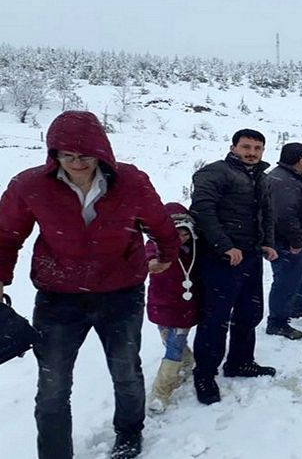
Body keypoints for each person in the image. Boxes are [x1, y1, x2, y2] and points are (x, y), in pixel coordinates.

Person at [0, 111, 180, 459]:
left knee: (126, 372)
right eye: (66, 155)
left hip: (121, 293)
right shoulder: (30, 186)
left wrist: (166, 254)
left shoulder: (131, 181)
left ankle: (129, 434)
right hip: (58, 297)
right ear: (53, 154)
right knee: (52, 386)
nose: (76, 162)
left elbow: (160, 223)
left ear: (102, 151)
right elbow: (6, 236)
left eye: (84, 154)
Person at [189, 128, 279, 405]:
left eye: (257, 148)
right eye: (246, 147)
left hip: (250, 256)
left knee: (249, 313)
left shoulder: (261, 178)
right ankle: (204, 374)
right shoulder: (215, 173)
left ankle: (240, 361)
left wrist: (268, 242)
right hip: (221, 259)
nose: (251, 153)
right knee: (215, 319)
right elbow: (203, 211)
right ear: (233, 147)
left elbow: (266, 213)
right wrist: (224, 246)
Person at [265, 142, 302, 341]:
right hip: (287, 241)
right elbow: (284, 216)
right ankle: (277, 322)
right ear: (301, 160)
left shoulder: (289, 177)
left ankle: (298, 307)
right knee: (286, 281)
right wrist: (296, 241)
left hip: (301, 239)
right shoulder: (284, 182)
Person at [145, 203, 200, 414]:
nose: (182, 238)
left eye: (186, 233)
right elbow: (147, 256)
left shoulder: (195, 251)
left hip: (183, 307)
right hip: (161, 305)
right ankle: (187, 363)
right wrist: (152, 262)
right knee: (168, 338)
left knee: (173, 346)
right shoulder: (156, 246)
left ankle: (160, 393)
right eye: (176, 233)